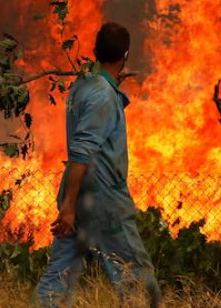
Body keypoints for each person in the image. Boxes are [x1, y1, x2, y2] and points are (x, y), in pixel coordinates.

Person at [35, 22, 161, 307]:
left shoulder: (84, 82)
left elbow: (98, 117)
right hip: (103, 202)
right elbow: (82, 152)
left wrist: (113, 82)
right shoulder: (103, 94)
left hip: (79, 196)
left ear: (94, 50)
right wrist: (67, 206)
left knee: (59, 276)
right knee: (136, 277)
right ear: (125, 55)